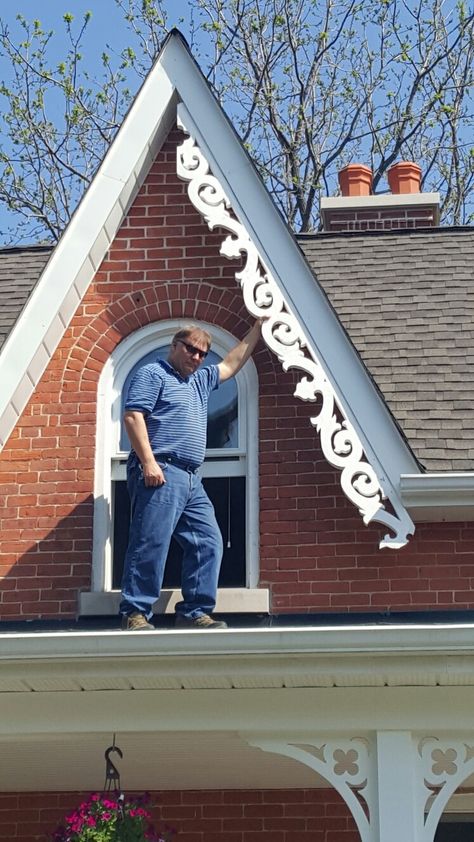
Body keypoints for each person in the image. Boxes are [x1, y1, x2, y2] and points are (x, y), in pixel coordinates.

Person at [120, 320, 263, 631]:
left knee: (208, 541)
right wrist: (148, 462)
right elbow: (133, 416)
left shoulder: (200, 381)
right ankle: (135, 613)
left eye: (203, 353)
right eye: (191, 349)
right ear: (174, 346)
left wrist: (258, 327)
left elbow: (232, 363)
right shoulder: (152, 373)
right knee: (151, 541)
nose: (197, 357)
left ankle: (194, 610)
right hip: (161, 468)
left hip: (190, 477)